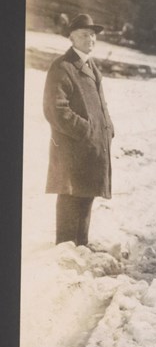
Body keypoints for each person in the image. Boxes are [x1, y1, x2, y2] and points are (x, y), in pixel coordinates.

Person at [43, 13, 115, 247]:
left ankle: (81, 246)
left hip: (91, 148)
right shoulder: (62, 66)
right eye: (84, 35)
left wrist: (107, 128)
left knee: (86, 195)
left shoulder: (91, 66)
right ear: (72, 37)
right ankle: (65, 249)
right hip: (72, 149)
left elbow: (99, 105)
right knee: (71, 196)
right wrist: (85, 130)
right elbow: (55, 110)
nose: (91, 39)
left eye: (93, 35)